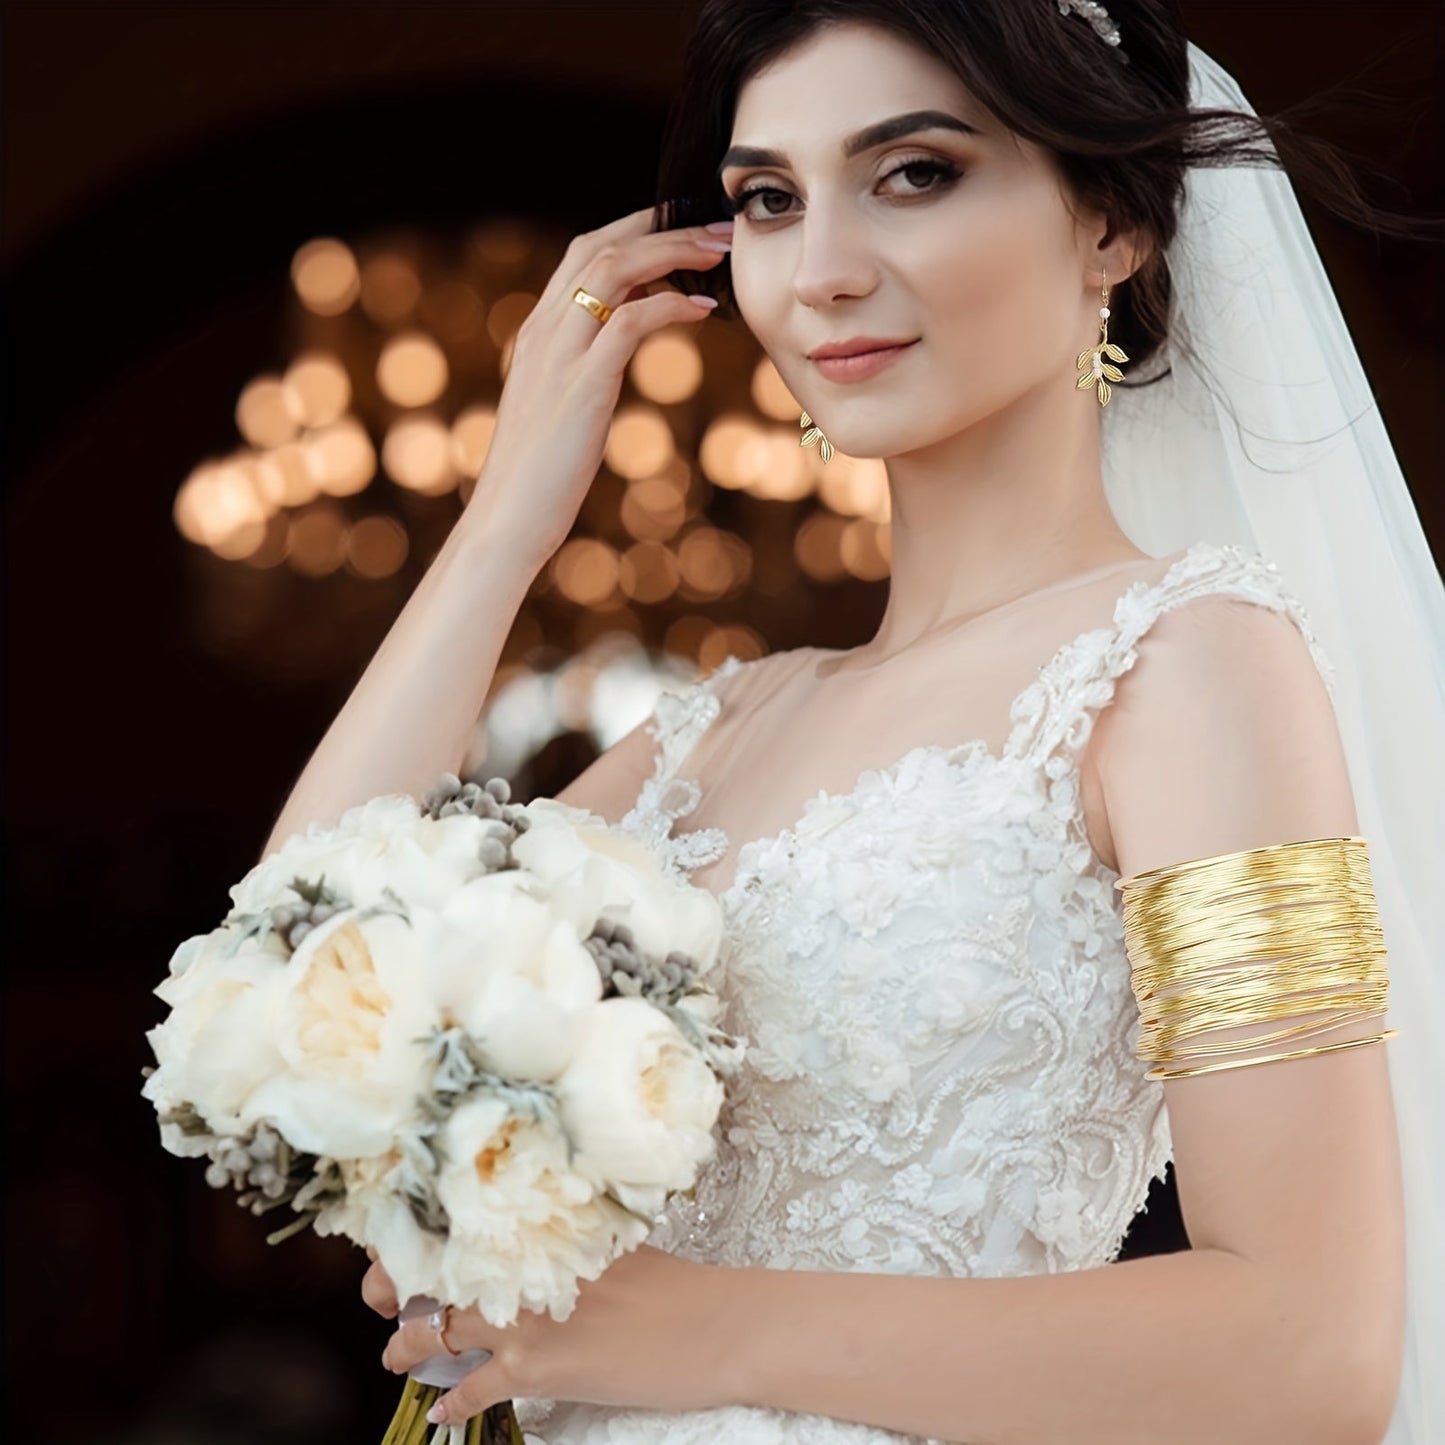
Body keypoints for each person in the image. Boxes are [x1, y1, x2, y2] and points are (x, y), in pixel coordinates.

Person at [265, 3, 1442, 1441]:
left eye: (914, 173)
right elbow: (298, 974)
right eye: (768, 199)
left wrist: (693, 1327)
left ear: (1111, 229)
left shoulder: (1184, 660)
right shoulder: (715, 727)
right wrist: (508, 515)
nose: (821, 272)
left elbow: (1306, 1350)